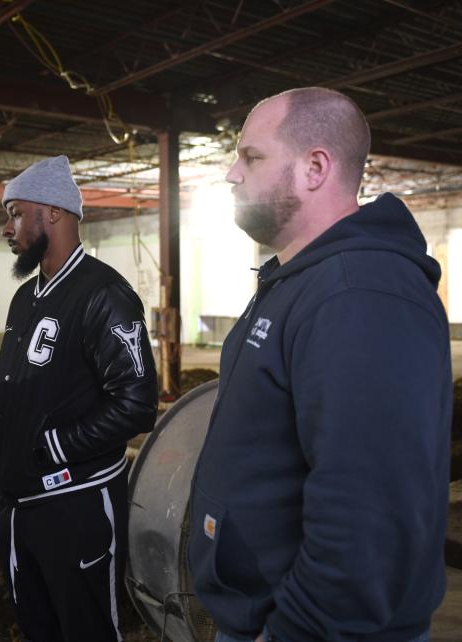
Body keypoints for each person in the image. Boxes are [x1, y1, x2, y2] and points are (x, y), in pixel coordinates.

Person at [189, 87, 450, 642]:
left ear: (315, 168)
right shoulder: (301, 280)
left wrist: (295, 631)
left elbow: (369, 515)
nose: (233, 174)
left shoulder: (360, 293)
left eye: (251, 156)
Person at [0, 155, 159, 641]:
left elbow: (138, 403)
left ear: (53, 212)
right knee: (38, 630)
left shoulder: (105, 294)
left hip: (74, 506)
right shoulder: (26, 297)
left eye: (16, 212)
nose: (7, 228)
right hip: (19, 507)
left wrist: (54, 448)